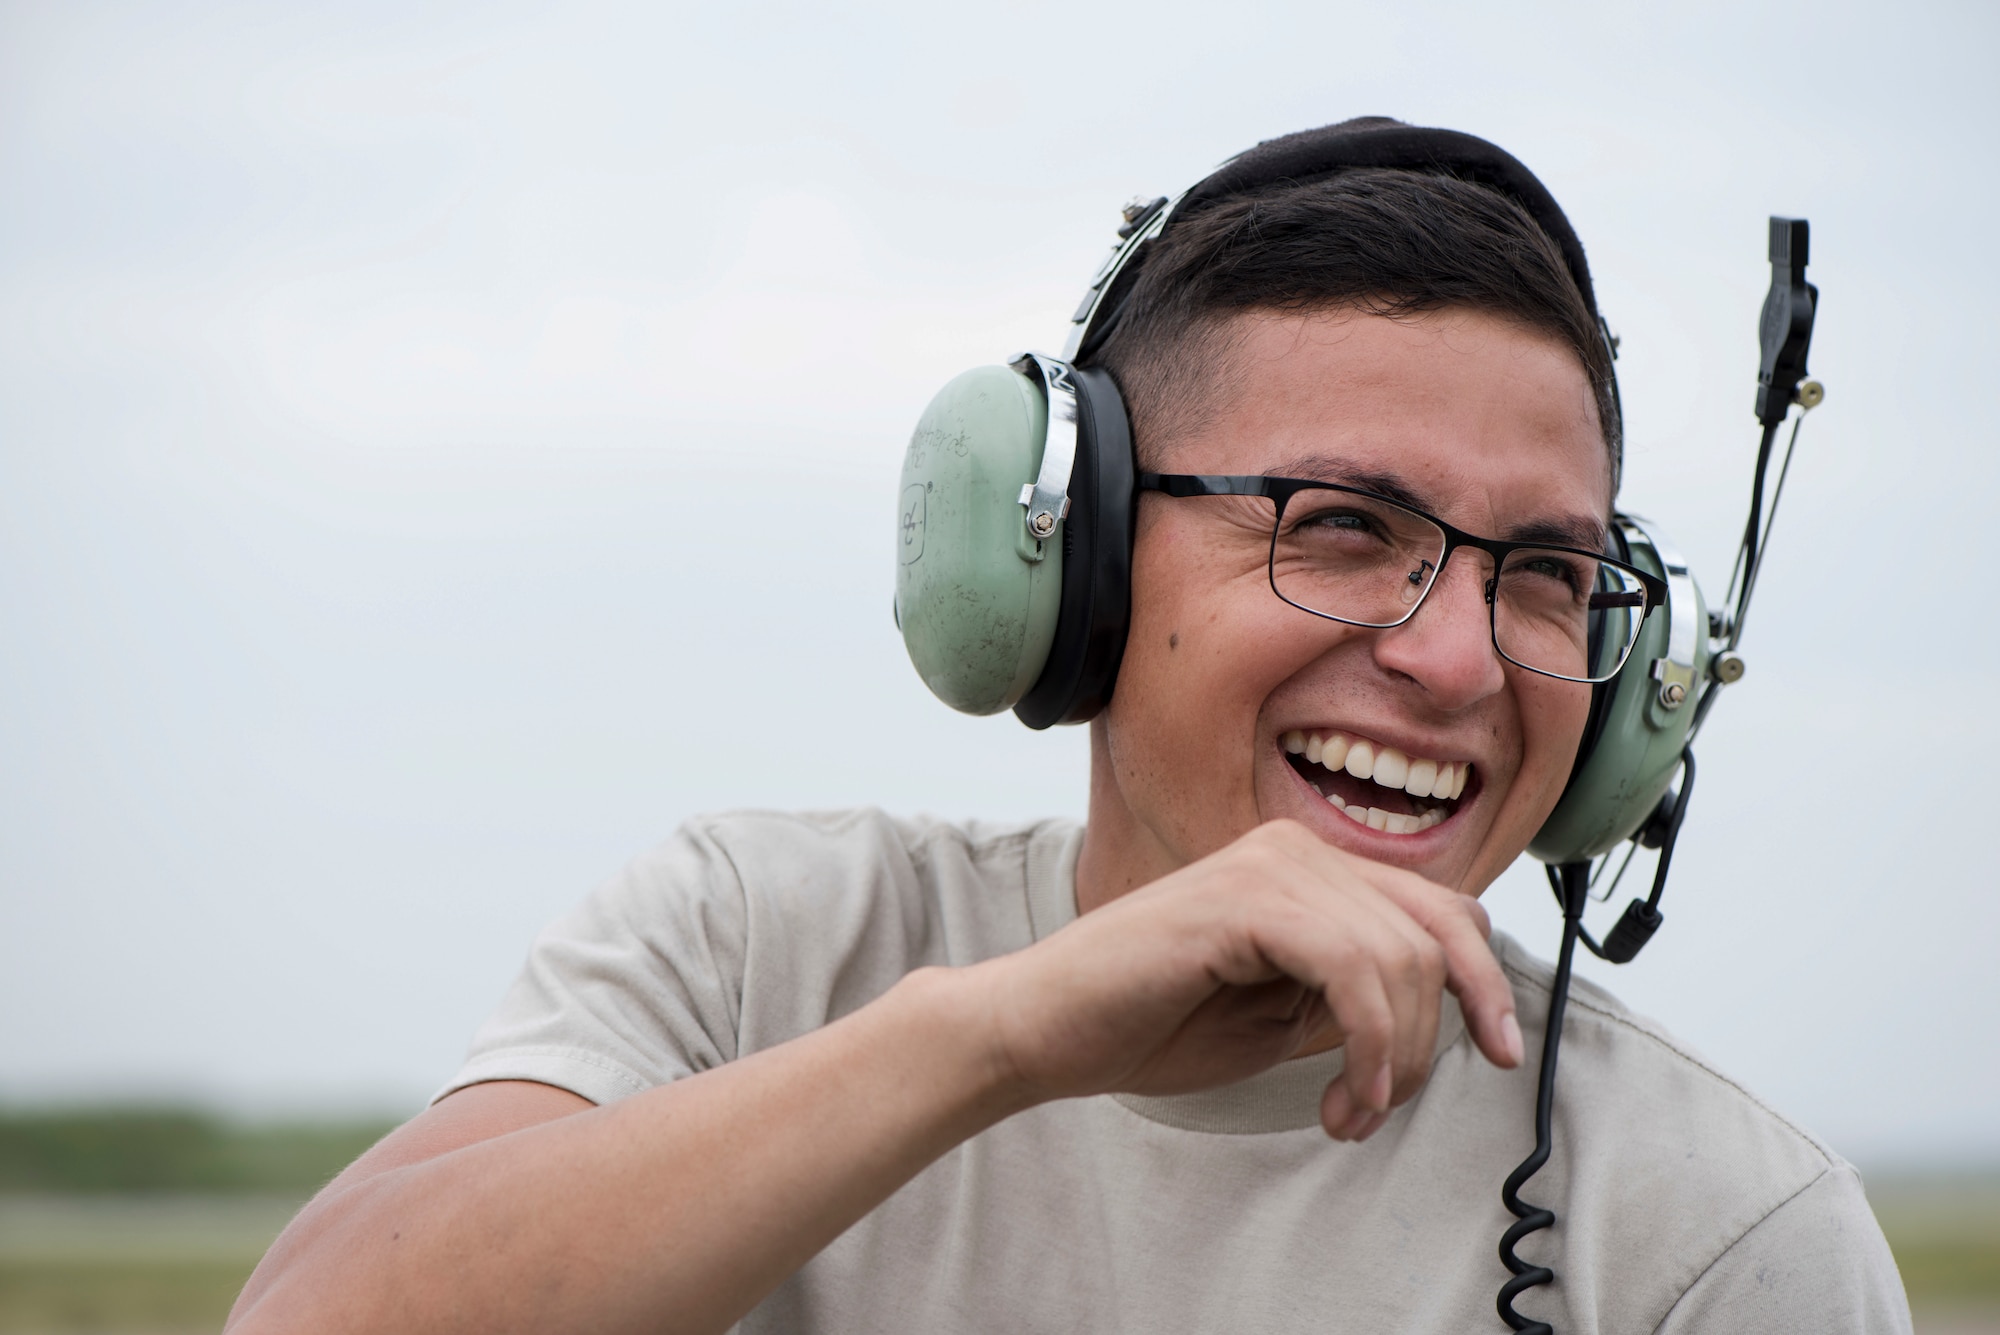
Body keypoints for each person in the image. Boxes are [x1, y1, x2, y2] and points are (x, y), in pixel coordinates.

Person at [227, 119, 1910, 1334]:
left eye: (1543, 576)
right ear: (1074, 561)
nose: (1460, 661)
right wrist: (1002, 1041)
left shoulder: (1716, 1229)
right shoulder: (758, 949)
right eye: (1338, 528)